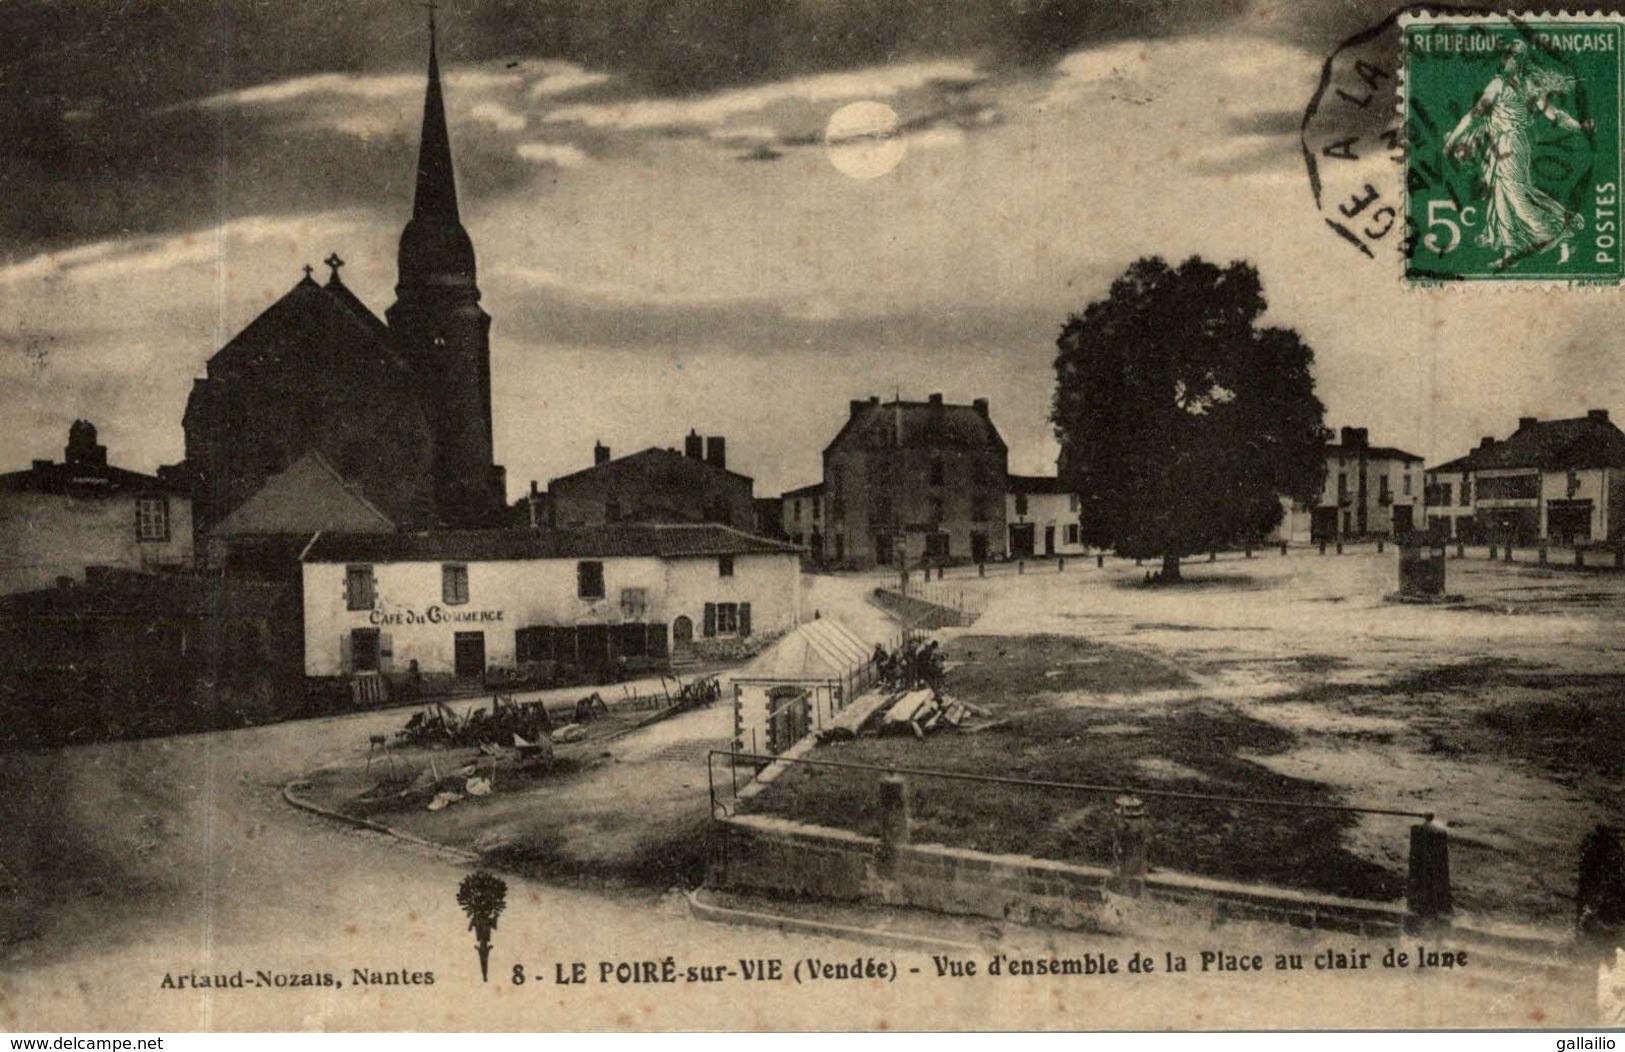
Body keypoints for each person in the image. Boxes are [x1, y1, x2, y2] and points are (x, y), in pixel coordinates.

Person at [1443, 41, 1593, 267]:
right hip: (1499, 145)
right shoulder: (1497, 84)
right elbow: (1475, 115)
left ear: (1521, 61)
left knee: (1515, 193)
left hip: (1513, 145)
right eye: (1507, 55)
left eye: (1514, 56)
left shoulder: (1525, 86)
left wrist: (1579, 126)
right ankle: (1511, 250)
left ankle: (1555, 232)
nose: (1508, 60)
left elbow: (1554, 115)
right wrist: (1453, 140)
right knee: (1500, 195)